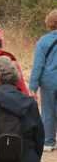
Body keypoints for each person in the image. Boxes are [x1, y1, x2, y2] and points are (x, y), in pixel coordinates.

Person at [29, 9, 57, 151]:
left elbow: (38, 65)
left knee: (48, 111)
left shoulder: (43, 41)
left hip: (49, 81)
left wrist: (32, 86)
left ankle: (49, 141)